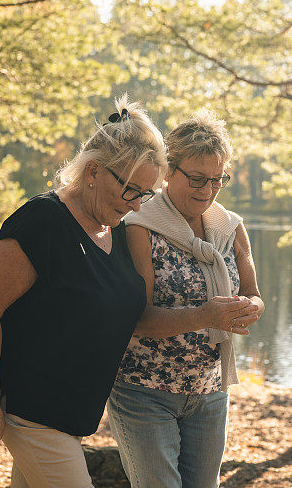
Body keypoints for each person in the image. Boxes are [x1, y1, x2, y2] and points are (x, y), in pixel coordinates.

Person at [0, 96, 257, 488]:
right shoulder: (42, 221)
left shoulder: (113, 229)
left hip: (71, 414)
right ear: (93, 171)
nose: (137, 203)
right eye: (130, 190)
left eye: (145, 193)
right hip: (29, 408)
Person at [109, 109, 265, 488]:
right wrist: (206, 316)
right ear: (168, 170)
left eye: (217, 180)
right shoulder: (139, 225)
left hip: (210, 392)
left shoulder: (230, 227)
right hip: (143, 393)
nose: (207, 191)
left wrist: (248, 309)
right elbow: (137, 318)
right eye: (196, 178)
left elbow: (255, 296)